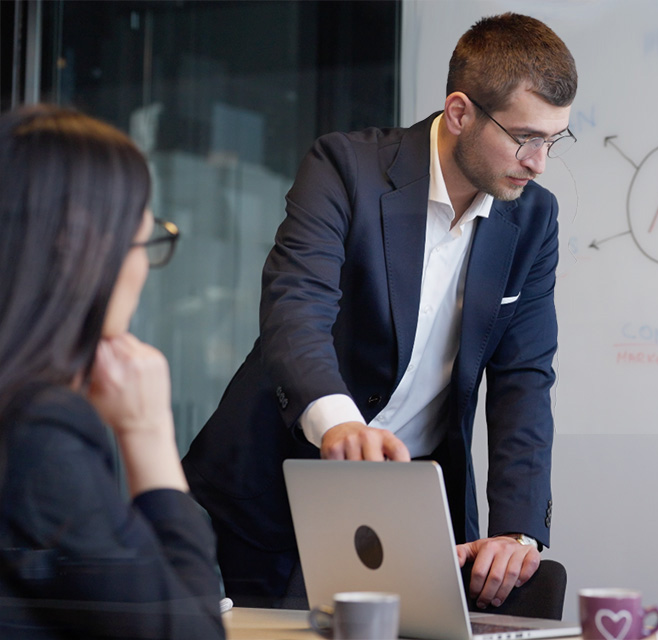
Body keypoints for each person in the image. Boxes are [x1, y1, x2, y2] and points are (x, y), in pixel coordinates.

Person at [182, 12, 576, 611]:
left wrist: (517, 529)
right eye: (524, 137)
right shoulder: (346, 168)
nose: (538, 161)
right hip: (275, 487)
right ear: (461, 111)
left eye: (553, 140)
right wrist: (338, 423)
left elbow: (524, 377)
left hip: (411, 507)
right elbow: (296, 308)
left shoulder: (533, 218)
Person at [0, 106, 222, 638]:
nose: (145, 266)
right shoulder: (38, 439)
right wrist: (148, 435)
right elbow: (190, 633)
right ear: (79, 250)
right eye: (145, 241)